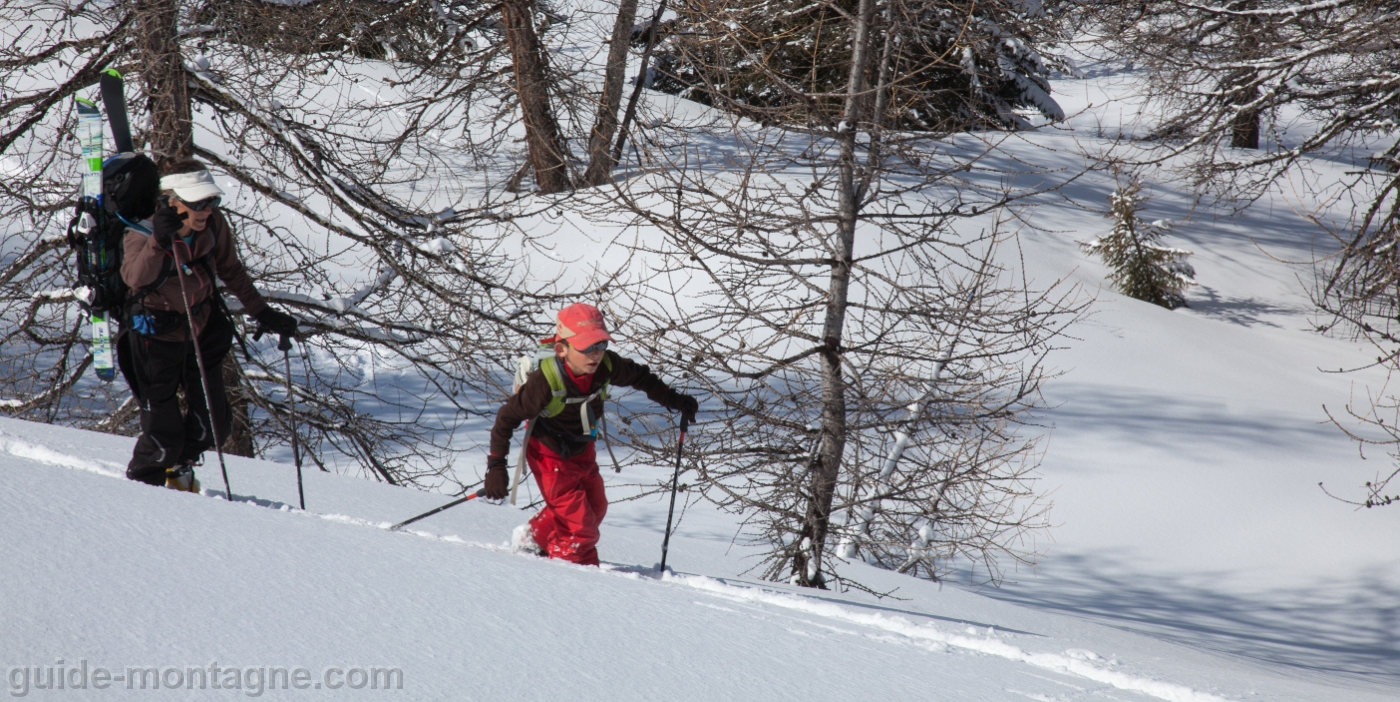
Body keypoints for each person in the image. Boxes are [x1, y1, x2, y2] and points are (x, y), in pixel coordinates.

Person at [116, 158, 299, 492]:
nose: (206, 209)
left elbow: (231, 270)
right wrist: (159, 241)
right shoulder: (142, 232)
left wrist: (262, 312)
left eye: (212, 200)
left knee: (212, 425)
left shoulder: (213, 224)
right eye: (198, 202)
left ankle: (179, 470)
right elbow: (135, 278)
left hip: (201, 330)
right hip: (154, 340)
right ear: (172, 201)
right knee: (162, 435)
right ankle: (143, 490)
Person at [485, 303, 697, 565]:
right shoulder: (544, 382)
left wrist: (672, 399)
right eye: (586, 347)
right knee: (580, 528)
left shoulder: (606, 366)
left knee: (595, 508)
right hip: (548, 454)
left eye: (601, 345)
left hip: (582, 449)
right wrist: (496, 465)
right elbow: (506, 418)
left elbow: (640, 377)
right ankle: (574, 576)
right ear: (562, 349)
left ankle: (535, 539)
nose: (596, 354)